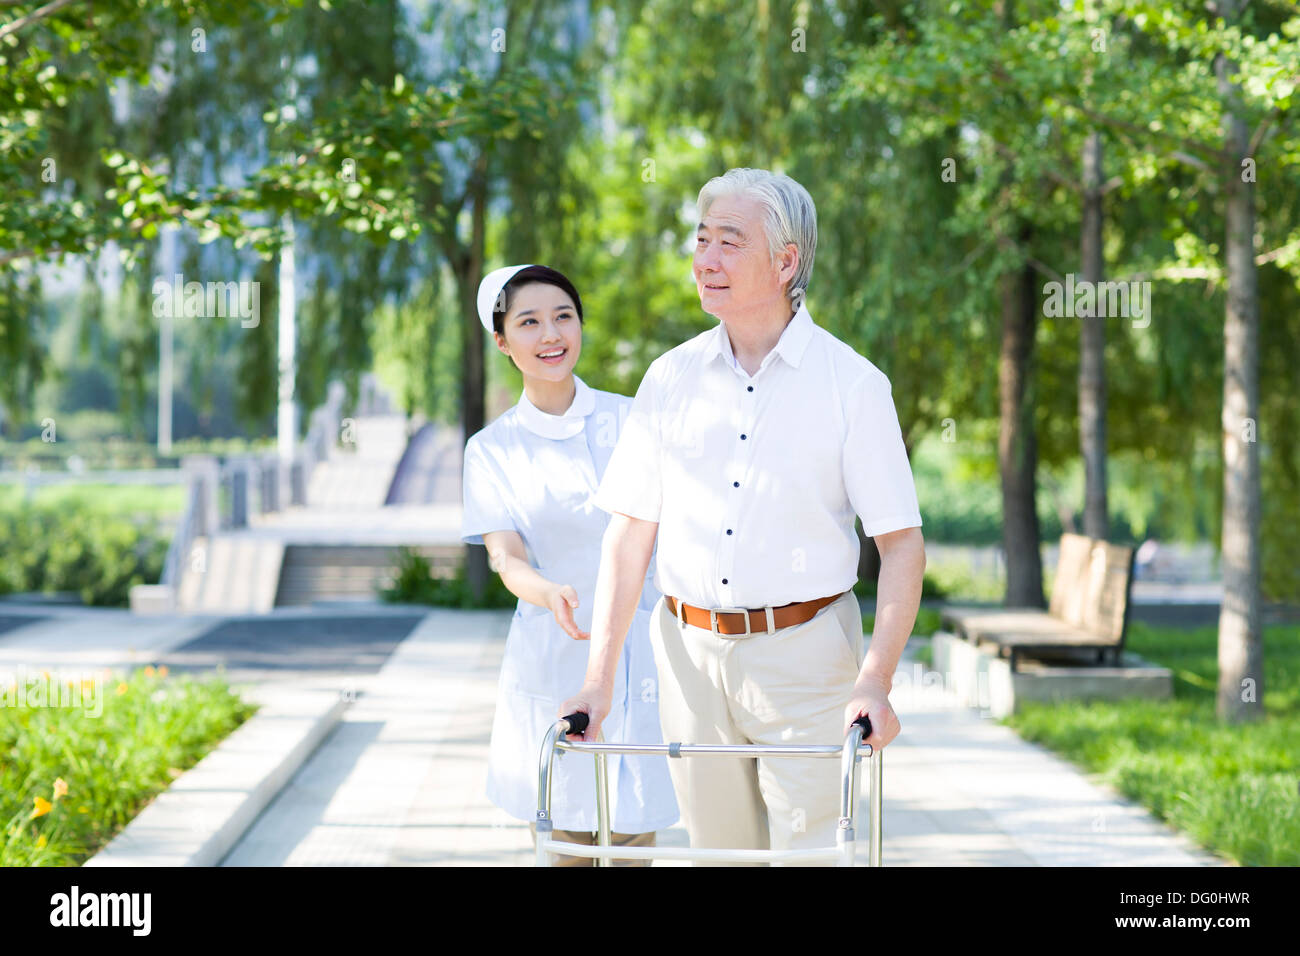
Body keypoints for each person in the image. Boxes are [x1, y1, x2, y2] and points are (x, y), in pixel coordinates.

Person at [560, 168, 927, 866]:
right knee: (720, 857)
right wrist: (597, 682)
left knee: (818, 856)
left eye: (729, 241)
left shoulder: (852, 386)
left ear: (786, 261)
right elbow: (630, 536)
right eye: (701, 240)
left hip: (809, 653)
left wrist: (874, 682)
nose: (705, 259)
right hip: (688, 657)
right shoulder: (668, 379)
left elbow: (902, 547)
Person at [460, 263, 678, 866]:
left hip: (642, 647)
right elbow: (505, 558)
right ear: (503, 341)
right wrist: (547, 591)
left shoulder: (633, 416)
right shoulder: (492, 449)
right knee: (564, 841)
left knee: (635, 836)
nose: (551, 334)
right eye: (529, 322)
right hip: (555, 647)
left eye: (563, 317)